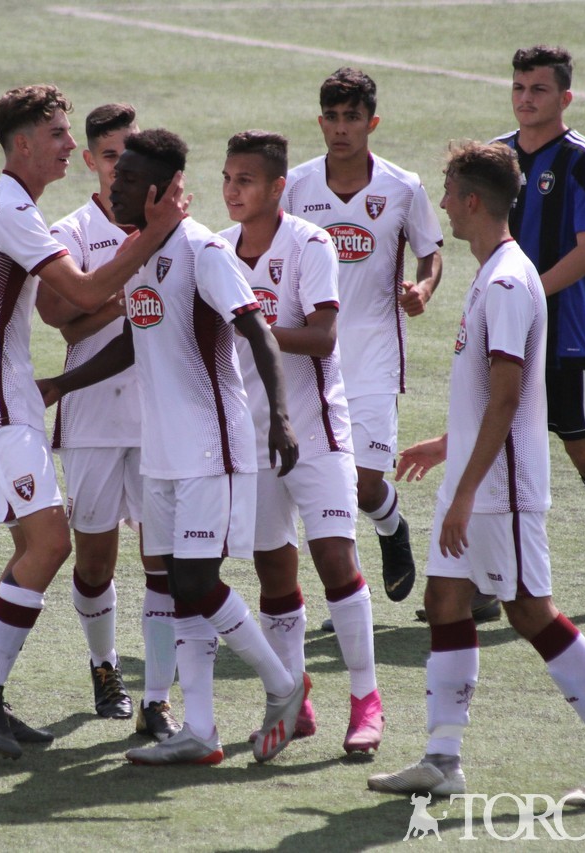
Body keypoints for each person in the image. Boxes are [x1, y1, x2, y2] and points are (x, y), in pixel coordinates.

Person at [366, 141, 585, 804]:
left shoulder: (505, 282)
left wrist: (465, 490)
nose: (441, 204)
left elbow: (507, 396)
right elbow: (490, 399)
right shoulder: (496, 271)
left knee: (528, 610)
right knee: (445, 601)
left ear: (473, 201)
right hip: (476, 480)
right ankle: (442, 758)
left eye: (448, 193)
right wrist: (448, 445)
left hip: (500, 491)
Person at [38, 128, 307, 766]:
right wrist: (60, 385)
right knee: (176, 587)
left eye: (129, 180)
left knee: (195, 581)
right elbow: (137, 340)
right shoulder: (139, 254)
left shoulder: (203, 251)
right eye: (115, 176)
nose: (115, 187)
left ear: (159, 191)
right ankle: (201, 731)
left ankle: (283, 686)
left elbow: (259, 333)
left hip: (211, 450)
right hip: (160, 452)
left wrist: (281, 419)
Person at [0, 85, 185, 760]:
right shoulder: (9, 209)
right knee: (52, 544)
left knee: (33, 548)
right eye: (56, 134)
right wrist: (155, 235)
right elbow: (78, 293)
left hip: (8, 401)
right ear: (22, 143)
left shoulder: (11, 207)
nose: (67, 145)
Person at [218, 130, 384, 755]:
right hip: (252, 437)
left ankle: (366, 700)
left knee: (336, 558)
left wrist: (251, 326)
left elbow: (322, 337)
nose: (232, 190)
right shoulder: (217, 250)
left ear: (277, 188)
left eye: (245, 180)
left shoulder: (311, 243)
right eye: (227, 178)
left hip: (316, 432)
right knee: (273, 570)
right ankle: (293, 697)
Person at [34, 103, 180, 740]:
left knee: (163, 562)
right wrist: (119, 302)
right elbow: (57, 317)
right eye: (111, 156)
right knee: (94, 562)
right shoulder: (70, 230)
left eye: (131, 155)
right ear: (91, 160)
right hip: (92, 418)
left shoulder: (169, 225)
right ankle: (104, 665)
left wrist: (109, 303)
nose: (121, 168)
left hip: (159, 420)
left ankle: (158, 697)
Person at [283, 67, 443, 609]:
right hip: (309, 361)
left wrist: (424, 287)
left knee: (364, 484)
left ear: (371, 122)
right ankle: (346, 601)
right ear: (320, 122)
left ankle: (391, 524)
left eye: (352, 117)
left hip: (375, 357)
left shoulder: (403, 187)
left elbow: (429, 251)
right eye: (332, 117)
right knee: (326, 485)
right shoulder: (296, 186)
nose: (341, 128)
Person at [490, 45, 585, 614]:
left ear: (565, 97)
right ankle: (488, 579)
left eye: (539, 89)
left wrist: (527, 293)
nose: (526, 99)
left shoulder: (583, 159)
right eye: (519, 88)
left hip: (568, 334)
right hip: (504, 330)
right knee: (493, 447)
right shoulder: (496, 155)